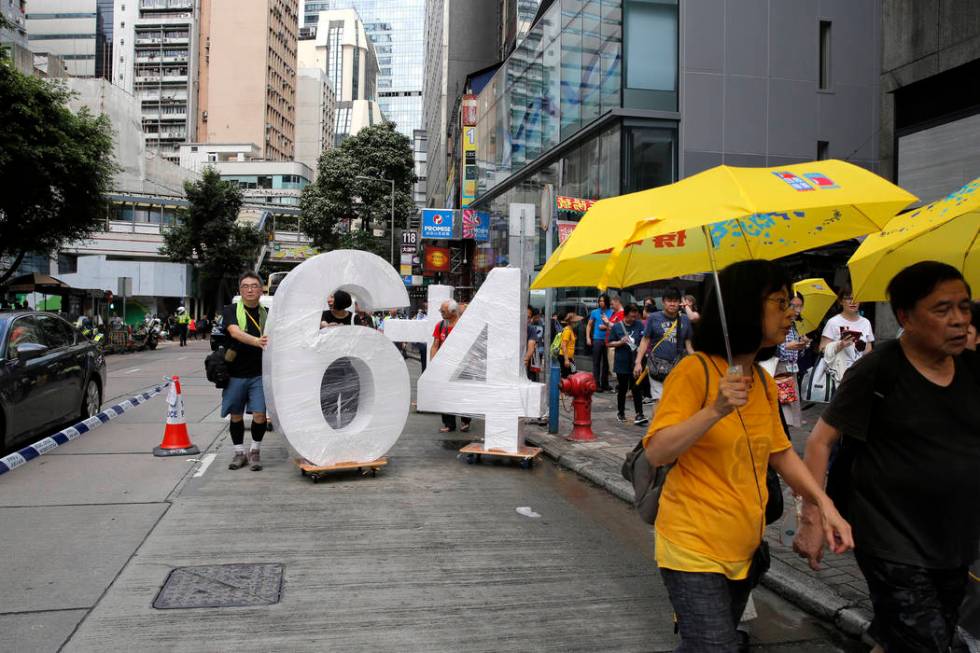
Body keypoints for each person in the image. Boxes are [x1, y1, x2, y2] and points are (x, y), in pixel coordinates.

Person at [644, 260, 853, 651]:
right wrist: (715, 410)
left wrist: (824, 504)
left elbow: (782, 454)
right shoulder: (695, 372)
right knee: (716, 646)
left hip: (744, 548)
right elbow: (656, 451)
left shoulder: (760, 381)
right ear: (742, 307)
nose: (791, 311)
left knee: (708, 643)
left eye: (790, 301)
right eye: (779, 301)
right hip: (693, 547)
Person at [793, 262, 979, 653]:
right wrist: (812, 517)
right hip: (889, 537)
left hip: (953, 539)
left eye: (965, 307)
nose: (960, 320)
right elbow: (819, 442)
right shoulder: (879, 369)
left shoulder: (973, 368)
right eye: (943, 310)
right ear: (905, 317)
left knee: (920, 636)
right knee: (926, 642)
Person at [221, 273, 269, 472]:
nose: (250, 290)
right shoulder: (231, 310)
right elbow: (234, 332)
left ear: (261, 289)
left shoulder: (265, 313)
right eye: (245, 286)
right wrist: (257, 341)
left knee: (260, 414)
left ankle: (255, 450)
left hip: (259, 373)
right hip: (235, 373)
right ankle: (239, 453)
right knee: (236, 415)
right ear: (240, 290)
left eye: (254, 286)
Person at [633, 287, 694, 401]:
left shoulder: (685, 320)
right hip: (657, 367)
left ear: (680, 302)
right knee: (659, 402)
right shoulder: (653, 318)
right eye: (669, 300)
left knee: (675, 402)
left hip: (677, 368)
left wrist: (697, 360)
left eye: (675, 301)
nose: (672, 304)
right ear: (663, 301)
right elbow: (645, 340)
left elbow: (688, 344)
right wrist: (638, 362)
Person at [818, 286, 874, 382]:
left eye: (856, 298)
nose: (853, 301)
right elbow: (822, 349)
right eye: (848, 298)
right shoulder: (833, 322)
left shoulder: (866, 323)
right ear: (840, 301)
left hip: (858, 373)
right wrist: (840, 345)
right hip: (837, 374)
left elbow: (868, 350)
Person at [432, 299, 471, 433]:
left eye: (443, 311)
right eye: (441, 311)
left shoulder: (464, 326)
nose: (441, 313)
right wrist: (433, 364)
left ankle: (466, 421)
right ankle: (449, 424)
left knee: (463, 394)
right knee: (446, 395)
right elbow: (435, 345)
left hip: (462, 368)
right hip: (445, 368)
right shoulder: (440, 326)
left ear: (453, 312)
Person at [607, 303, 648, 426]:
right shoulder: (617, 327)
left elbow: (644, 341)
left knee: (636, 388)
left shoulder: (639, 325)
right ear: (625, 315)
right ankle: (621, 412)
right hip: (622, 362)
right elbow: (609, 343)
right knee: (623, 388)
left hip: (636, 362)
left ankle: (639, 414)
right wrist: (620, 342)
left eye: (635, 316)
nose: (633, 319)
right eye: (631, 316)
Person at [775, 293, 809, 427]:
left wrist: (802, 345)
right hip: (779, 369)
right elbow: (774, 347)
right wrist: (789, 346)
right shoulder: (777, 322)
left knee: (789, 406)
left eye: (800, 306)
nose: (797, 310)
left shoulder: (795, 326)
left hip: (791, 369)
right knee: (782, 407)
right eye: (794, 306)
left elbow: (798, 355)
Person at [587, 294, 613, 392]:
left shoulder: (611, 312)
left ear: (606, 302)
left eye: (603, 301)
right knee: (596, 362)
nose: (601, 302)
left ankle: (605, 384)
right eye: (600, 301)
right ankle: (596, 384)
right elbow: (589, 325)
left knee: (606, 363)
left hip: (608, 339)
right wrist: (588, 338)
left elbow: (614, 326)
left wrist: (605, 327)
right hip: (597, 339)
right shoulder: (594, 312)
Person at [557, 312, 582, 378]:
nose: (577, 323)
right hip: (564, 357)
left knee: (572, 374)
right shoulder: (567, 330)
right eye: (576, 322)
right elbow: (563, 345)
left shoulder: (570, 330)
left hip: (569, 357)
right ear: (571, 322)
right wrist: (566, 359)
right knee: (566, 376)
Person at [524, 307, 545, 382]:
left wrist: (525, 359)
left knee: (532, 374)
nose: (526, 319)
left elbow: (531, 347)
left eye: (528, 317)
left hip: (535, 352)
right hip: (538, 350)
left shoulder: (531, 328)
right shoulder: (541, 323)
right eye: (524, 316)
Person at [414, 301, 429, 372]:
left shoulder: (432, 316)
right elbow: (417, 325)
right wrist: (419, 315)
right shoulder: (421, 316)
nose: (426, 308)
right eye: (425, 307)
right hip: (424, 344)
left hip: (432, 341)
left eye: (427, 307)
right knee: (424, 362)